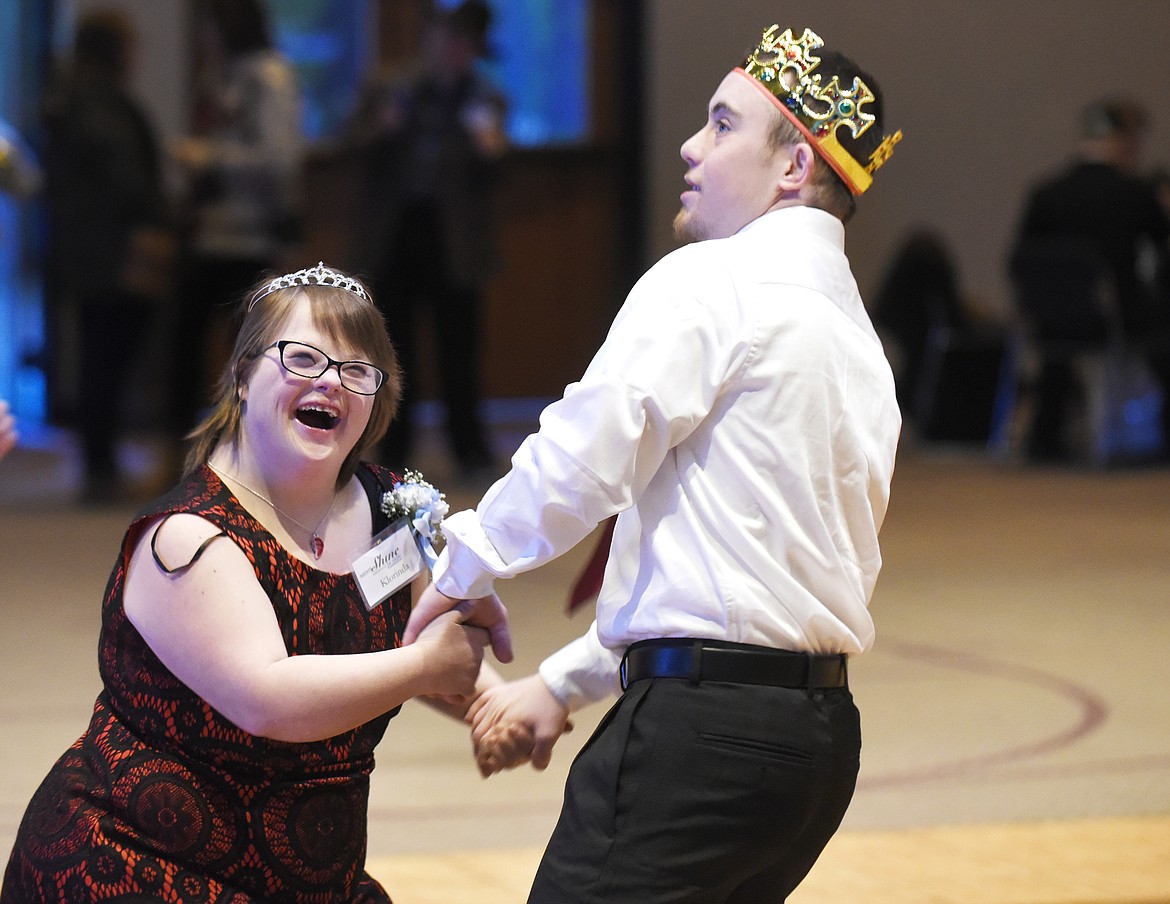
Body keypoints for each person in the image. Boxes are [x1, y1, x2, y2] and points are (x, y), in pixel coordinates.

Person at [403, 24, 903, 903]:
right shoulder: (859, 345)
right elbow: (749, 584)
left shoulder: (712, 282)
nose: (689, 145)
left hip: (698, 741)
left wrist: (462, 569)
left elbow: (581, 460)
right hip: (817, 747)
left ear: (793, 168)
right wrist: (560, 686)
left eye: (721, 125)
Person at [1, 263, 499, 903]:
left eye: (357, 371)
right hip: (143, 863)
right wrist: (429, 668)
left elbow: (396, 641)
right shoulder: (188, 536)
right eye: (303, 359)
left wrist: (491, 698)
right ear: (241, 375)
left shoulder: (388, 510)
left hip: (306, 874)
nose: (331, 382)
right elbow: (268, 698)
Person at [349, 0, 507, 477]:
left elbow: (497, 173)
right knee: (395, 348)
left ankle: (469, 450)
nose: (450, 50)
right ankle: (393, 450)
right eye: (443, 38)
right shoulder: (391, 88)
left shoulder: (485, 98)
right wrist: (381, 129)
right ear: (429, 40)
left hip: (456, 241)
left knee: (460, 349)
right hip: (398, 234)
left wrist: (492, 151)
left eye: (460, 41)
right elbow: (352, 144)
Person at [41, 9, 172, 502]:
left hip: (88, 252)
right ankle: (99, 463)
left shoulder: (71, 102)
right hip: (115, 252)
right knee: (109, 359)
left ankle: (99, 460)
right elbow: (127, 182)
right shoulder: (101, 108)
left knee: (100, 357)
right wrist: (161, 213)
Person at [169, 0, 304, 447]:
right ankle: (180, 450)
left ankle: (245, 453)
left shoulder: (268, 77)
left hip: (248, 237)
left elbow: (277, 159)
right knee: (183, 346)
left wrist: (207, 158)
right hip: (208, 234)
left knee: (250, 355)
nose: (206, 38)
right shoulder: (221, 76)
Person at [1010, 97, 1170, 460]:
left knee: (1061, 344)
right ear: (1123, 141)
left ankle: (1046, 437)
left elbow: (1020, 261)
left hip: (1049, 321)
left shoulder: (1045, 196)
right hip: (1114, 319)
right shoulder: (1136, 194)